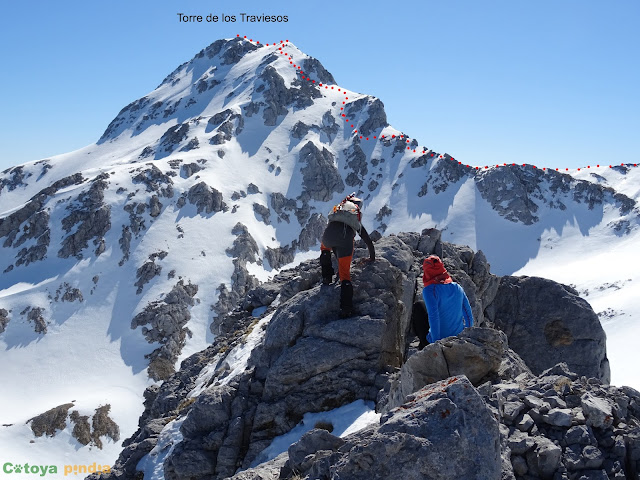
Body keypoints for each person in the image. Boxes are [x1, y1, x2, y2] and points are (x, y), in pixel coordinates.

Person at [319, 193, 375, 318]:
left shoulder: (337, 210)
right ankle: (346, 309)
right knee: (345, 275)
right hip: (345, 242)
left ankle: (326, 277)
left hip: (328, 236)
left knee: (324, 249)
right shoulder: (354, 219)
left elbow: (332, 230)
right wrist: (372, 257)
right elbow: (368, 241)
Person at [418, 255, 473, 346]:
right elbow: (468, 313)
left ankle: (422, 346)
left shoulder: (430, 290)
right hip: (458, 337)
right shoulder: (457, 287)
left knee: (419, 307)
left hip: (440, 339)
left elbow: (433, 316)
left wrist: (436, 343)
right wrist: (467, 335)